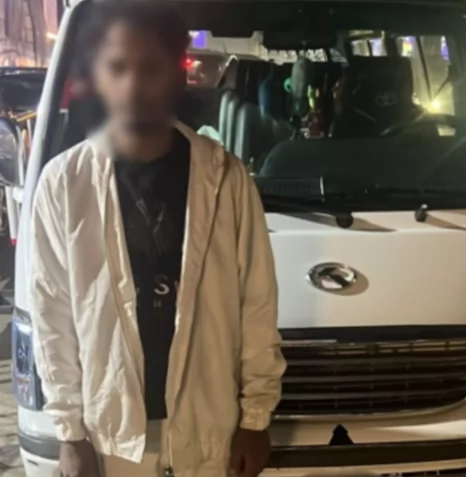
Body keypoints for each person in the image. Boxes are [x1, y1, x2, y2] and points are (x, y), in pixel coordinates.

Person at [29, 1, 285, 476]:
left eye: (149, 68)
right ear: (99, 76)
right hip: (110, 437)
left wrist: (255, 418)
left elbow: (256, 304)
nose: (132, 84)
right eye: (117, 67)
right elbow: (53, 315)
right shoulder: (64, 183)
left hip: (209, 430)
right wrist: (70, 433)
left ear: (177, 73)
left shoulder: (224, 178)